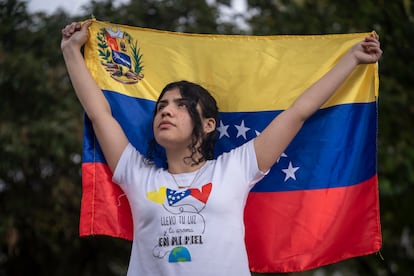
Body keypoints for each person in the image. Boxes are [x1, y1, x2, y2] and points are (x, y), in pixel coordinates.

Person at [61, 21, 382, 276]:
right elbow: (98, 113)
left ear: (210, 123)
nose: (166, 111)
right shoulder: (135, 173)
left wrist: (352, 59)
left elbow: (299, 111)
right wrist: (71, 51)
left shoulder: (236, 167)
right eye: (161, 106)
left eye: (182, 105)